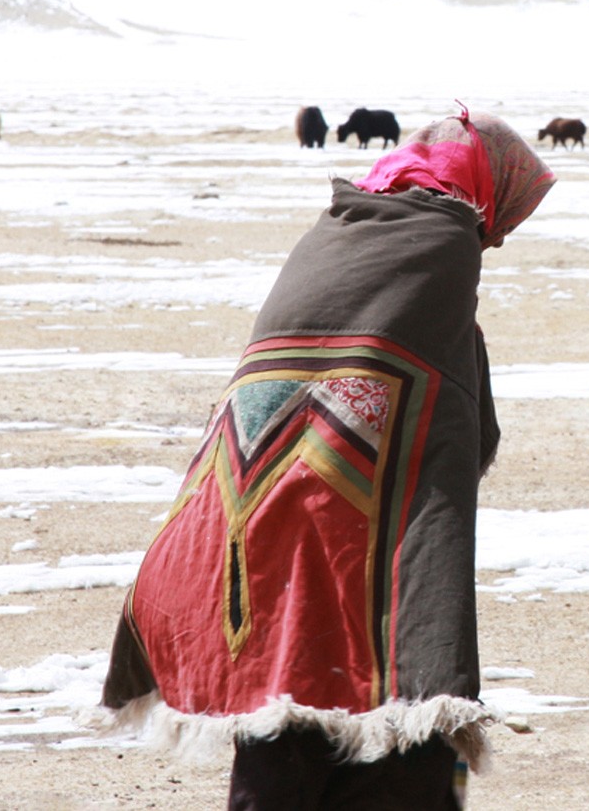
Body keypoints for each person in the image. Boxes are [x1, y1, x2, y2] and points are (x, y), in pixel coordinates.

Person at [99, 108, 555, 811]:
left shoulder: (339, 230)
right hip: (350, 528)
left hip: (244, 507)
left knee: (283, 703)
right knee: (376, 718)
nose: (499, 236)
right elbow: (466, 427)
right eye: (507, 216)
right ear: (487, 195)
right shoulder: (443, 245)